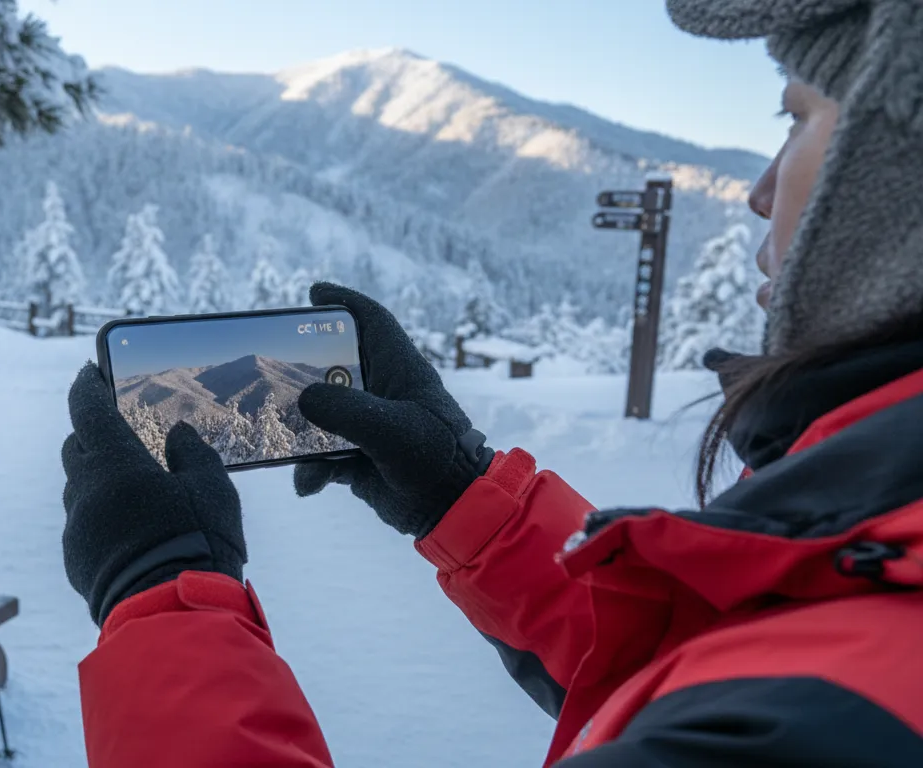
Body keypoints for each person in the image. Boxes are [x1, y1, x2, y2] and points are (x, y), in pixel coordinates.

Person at [58, 2, 923, 766]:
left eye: (797, 117)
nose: (761, 192)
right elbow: (692, 662)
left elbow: (742, 699)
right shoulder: (874, 570)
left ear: (891, 185)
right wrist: (464, 494)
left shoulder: (831, 711)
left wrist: (163, 601)